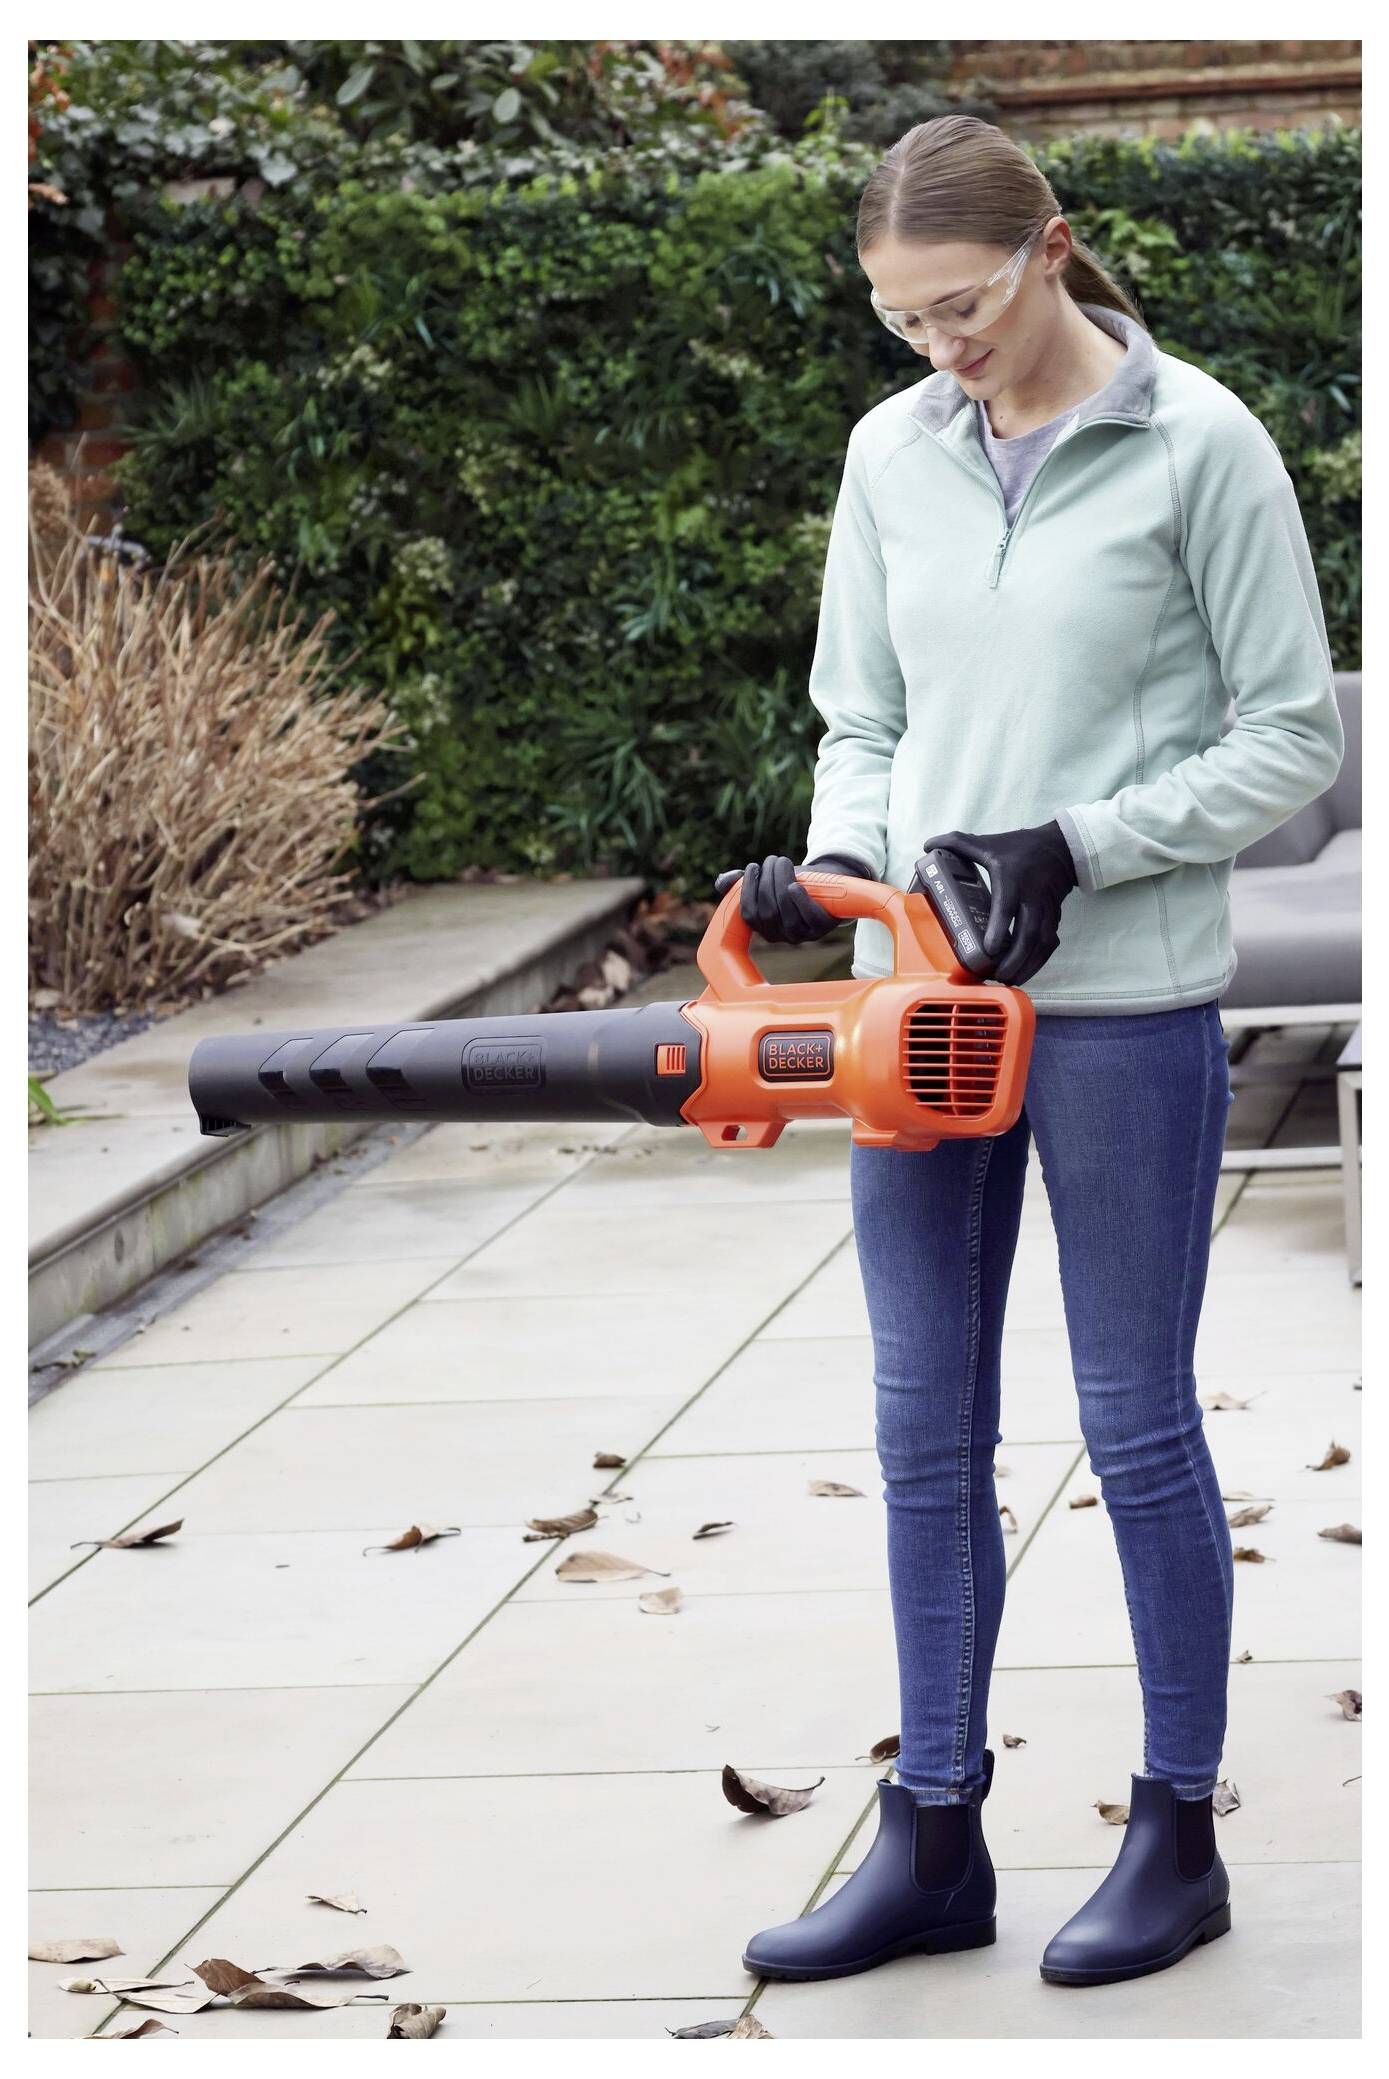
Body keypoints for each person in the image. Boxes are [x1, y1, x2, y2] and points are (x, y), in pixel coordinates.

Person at [717, 114, 1345, 1991]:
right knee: (923, 1429)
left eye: (962, 307)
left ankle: (1174, 1833)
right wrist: (843, 872)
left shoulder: (1198, 446)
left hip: (1121, 998)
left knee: (1133, 1422)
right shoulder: (888, 455)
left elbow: (1290, 738)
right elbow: (864, 713)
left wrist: (1079, 844)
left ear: (1050, 249)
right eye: (902, 322)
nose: (939, 352)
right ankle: (932, 1838)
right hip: (921, 1001)